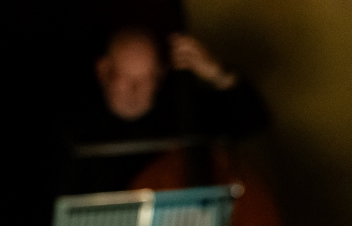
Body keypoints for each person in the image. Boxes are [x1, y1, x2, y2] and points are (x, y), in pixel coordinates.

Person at [62, 26, 269, 196]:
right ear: (103, 70)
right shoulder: (75, 126)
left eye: (145, 80)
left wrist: (217, 74)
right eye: (125, 79)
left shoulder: (182, 111)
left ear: (160, 76)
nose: (134, 90)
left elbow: (252, 122)